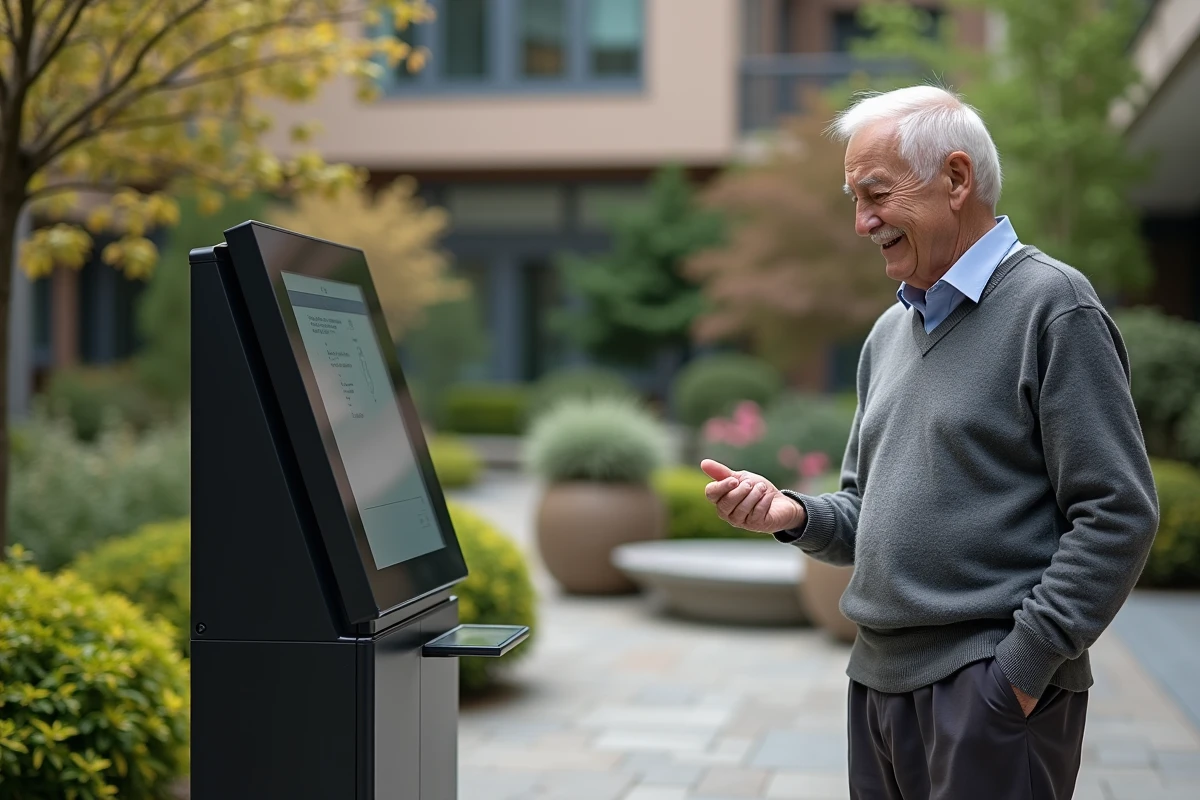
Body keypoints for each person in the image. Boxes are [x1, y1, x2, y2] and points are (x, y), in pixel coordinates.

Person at [701, 85, 1159, 800]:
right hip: (876, 684)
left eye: (876, 194)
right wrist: (792, 514)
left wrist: (1019, 673)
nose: (862, 222)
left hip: (988, 689)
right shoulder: (888, 334)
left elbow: (1118, 512)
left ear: (956, 178)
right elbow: (864, 508)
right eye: (855, 199)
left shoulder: (1053, 306)